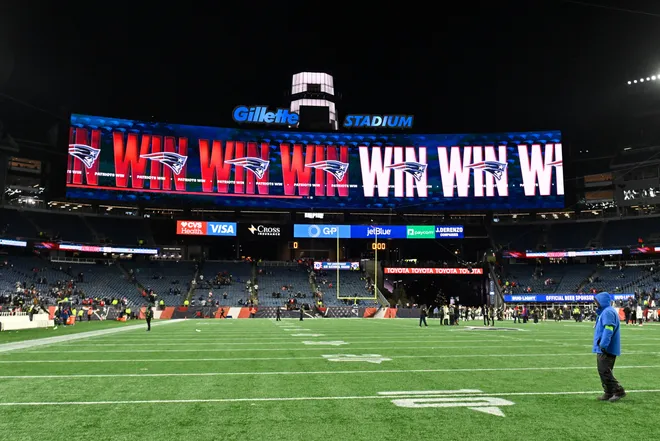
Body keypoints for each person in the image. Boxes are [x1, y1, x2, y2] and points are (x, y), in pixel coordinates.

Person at [593, 292, 626, 402]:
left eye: (597, 301)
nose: (595, 303)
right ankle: (608, 392)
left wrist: (603, 345)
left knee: (604, 370)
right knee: (604, 370)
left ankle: (618, 390)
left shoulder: (607, 312)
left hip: (606, 348)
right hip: (604, 347)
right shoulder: (606, 311)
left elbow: (608, 329)